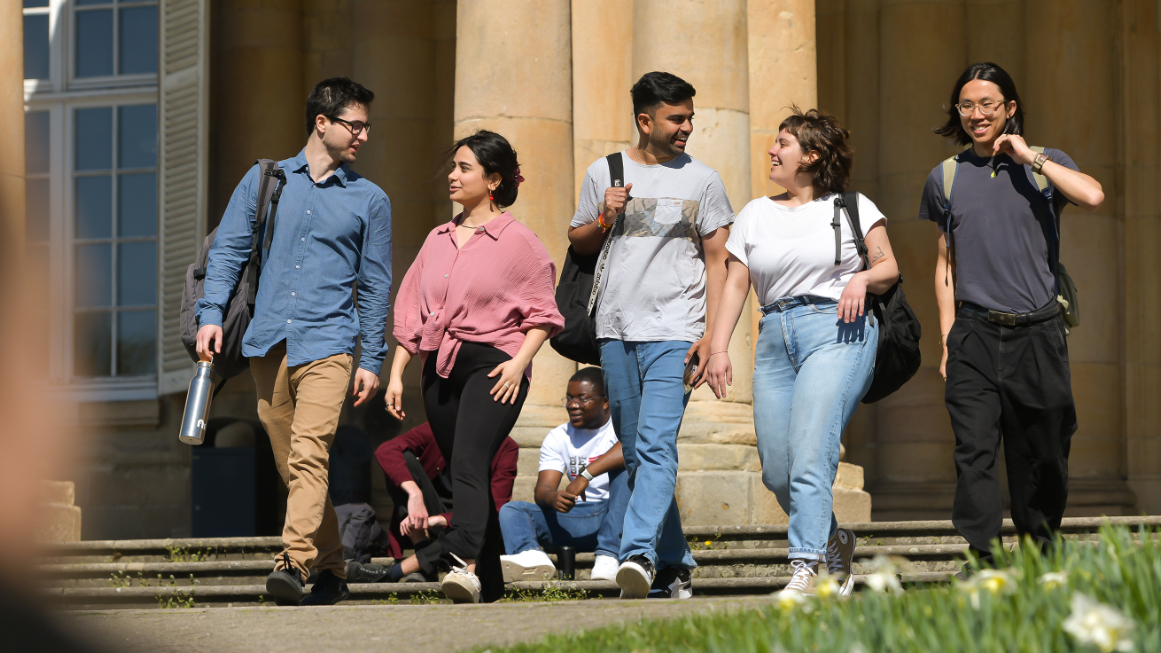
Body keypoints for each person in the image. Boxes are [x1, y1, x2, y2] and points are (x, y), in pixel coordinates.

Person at [195, 77, 391, 607]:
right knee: (294, 464)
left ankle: (294, 559)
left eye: (367, 126)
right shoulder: (265, 181)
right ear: (321, 123)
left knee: (310, 453)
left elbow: (374, 285)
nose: (364, 136)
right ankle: (332, 567)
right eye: (356, 124)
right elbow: (229, 252)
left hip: (330, 342)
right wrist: (210, 315)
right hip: (268, 341)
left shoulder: (370, 200)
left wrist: (372, 357)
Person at [706, 107, 899, 597]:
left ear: (812, 156)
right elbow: (735, 284)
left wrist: (861, 276)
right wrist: (719, 347)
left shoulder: (854, 207)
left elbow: (888, 267)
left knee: (812, 450)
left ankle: (806, 568)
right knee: (777, 469)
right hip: (775, 334)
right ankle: (835, 542)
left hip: (838, 329)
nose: (772, 150)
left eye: (783, 143)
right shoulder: (754, 213)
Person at [921, 63, 1104, 569]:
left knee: (1043, 453)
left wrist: (1031, 157)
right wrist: (946, 338)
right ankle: (983, 560)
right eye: (966, 105)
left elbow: (1092, 195)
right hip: (974, 334)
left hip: (1039, 332)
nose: (976, 115)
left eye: (987, 105)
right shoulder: (946, 176)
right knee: (974, 451)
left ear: (1010, 108)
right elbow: (945, 264)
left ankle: (1041, 556)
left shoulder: (1046, 164)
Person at [567, 71, 734, 600]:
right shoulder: (606, 170)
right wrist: (603, 216)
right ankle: (674, 562)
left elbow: (718, 261)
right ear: (645, 120)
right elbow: (578, 240)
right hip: (615, 331)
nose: (687, 126)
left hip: (675, 332)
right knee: (638, 454)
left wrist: (711, 336)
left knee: (657, 446)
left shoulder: (703, 180)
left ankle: (635, 553)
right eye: (676, 118)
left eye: (689, 117)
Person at [386, 130, 565, 603]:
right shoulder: (437, 238)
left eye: (464, 167)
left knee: (467, 459)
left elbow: (544, 314)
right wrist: (397, 373)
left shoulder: (519, 241)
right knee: (469, 471)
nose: (452, 175)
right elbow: (409, 308)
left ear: (493, 180)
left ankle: (459, 560)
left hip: (495, 365)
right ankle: (490, 582)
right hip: (438, 366)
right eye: (454, 166)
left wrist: (518, 365)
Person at [498, 367, 628, 583]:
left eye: (582, 398)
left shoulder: (620, 429)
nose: (572, 405)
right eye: (569, 398)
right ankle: (531, 557)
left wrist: (584, 476)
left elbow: (630, 448)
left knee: (626, 472)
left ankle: (608, 556)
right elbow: (542, 490)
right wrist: (553, 497)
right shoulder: (558, 436)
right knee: (512, 510)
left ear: (606, 401)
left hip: (616, 517)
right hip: (575, 520)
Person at [371, 422, 518, 583]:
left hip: (469, 525)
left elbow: (495, 507)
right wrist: (415, 493)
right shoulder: (438, 428)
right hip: (425, 519)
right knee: (403, 459)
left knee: (472, 526)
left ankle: (394, 573)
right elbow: (386, 450)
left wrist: (442, 519)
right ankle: (421, 545)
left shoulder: (506, 447)